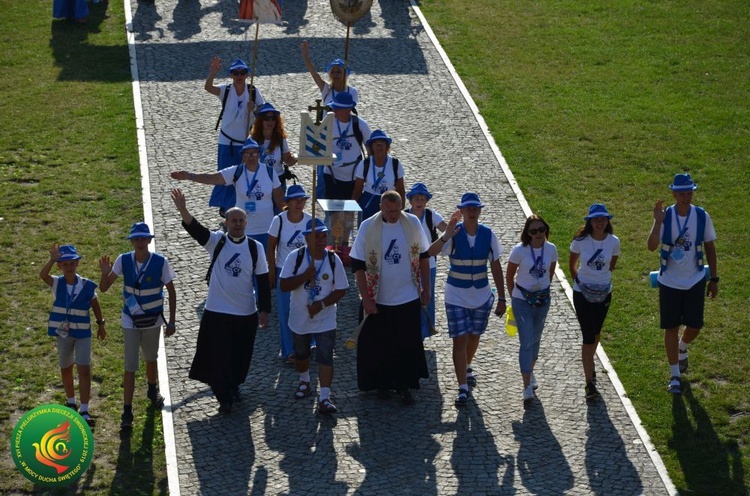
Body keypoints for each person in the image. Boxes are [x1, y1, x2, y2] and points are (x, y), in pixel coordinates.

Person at [171, 188, 271, 414]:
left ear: (246, 223)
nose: (237, 224)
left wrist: (264, 310)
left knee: (240, 356)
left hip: (245, 313)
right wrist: (183, 209)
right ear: (225, 223)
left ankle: (233, 385)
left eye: (241, 220)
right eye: (233, 220)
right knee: (219, 356)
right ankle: (223, 396)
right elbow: (196, 230)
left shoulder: (256, 248)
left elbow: (263, 280)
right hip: (217, 312)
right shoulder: (216, 242)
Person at [350, 191, 431, 404]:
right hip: (378, 297)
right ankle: (381, 385)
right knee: (379, 346)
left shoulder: (412, 223)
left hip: (407, 296)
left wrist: (426, 287)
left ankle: (404, 386)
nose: (393, 215)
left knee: (406, 345)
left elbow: (423, 256)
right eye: (388, 211)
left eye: (396, 211)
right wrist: (365, 297)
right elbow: (358, 265)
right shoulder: (368, 227)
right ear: (380, 207)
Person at [428, 193, 506, 407]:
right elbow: (430, 252)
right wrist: (446, 234)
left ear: (480, 211)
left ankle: (467, 364)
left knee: (474, 336)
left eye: (475, 208)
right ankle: (462, 387)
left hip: (481, 295)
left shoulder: (489, 235)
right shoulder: (454, 234)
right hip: (456, 295)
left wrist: (501, 297)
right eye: (468, 209)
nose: (472, 212)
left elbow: (496, 265)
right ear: (461, 211)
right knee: (459, 340)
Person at [98, 222, 177, 430]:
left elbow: (171, 290)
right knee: (130, 366)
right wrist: (105, 273)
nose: (141, 242)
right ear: (132, 241)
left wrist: (173, 321)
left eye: (144, 238)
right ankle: (127, 411)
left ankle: (152, 389)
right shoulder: (123, 260)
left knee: (151, 358)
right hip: (130, 320)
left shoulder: (161, 262)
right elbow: (104, 289)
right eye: (137, 239)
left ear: (149, 240)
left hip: (153, 320)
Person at [647, 173, 718, 395]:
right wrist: (658, 222)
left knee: (695, 325)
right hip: (669, 281)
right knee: (671, 327)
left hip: (695, 278)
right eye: (683, 193)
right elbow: (651, 246)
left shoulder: (701, 215)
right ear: (674, 194)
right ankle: (675, 375)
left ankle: (682, 348)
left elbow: (710, 247)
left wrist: (714, 279)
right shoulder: (665, 215)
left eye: (690, 192)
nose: (687, 196)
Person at [280, 219, 349, 414]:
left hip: (325, 318)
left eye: (322, 236)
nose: (320, 240)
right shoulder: (296, 257)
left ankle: (325, 396)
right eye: (315, 236)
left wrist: (322, 304)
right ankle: (304, 381)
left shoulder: (333, 260)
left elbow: (342, 289)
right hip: (300, 317)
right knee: (301, 353)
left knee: (326, 355)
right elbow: (284, 285)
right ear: (306, 238)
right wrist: (304, 276)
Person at [171, 138, 283, 251]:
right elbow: (211, 178)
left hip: (266, 229)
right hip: (244, 230)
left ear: (259, 154)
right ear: (243, 156)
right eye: (247, 153)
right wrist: (190, 176)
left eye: (254, 153)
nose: (251, 156)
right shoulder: (236, 172)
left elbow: (280, 199)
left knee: (266, 264)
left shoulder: (269, 172)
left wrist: (284, 223)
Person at [40, 244, 106, 426]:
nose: (70, 267)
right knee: (66, 367)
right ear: (60, 266)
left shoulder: (86, 285)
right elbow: (42, 276)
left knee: (84, 369)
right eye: (65, 264)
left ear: (77, 264)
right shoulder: (57, 282)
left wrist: (101, 324)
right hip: (63, 334)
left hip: (83, 333)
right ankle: (71, 401)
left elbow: (95, 304)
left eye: (73, 263)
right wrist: (52, 259)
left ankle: (84, 409)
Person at [569, 204, 620, 402]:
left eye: (603, 219)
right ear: (589, 221)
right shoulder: (580, 241)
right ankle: (589, 383)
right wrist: (580, 283)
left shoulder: (614, 242)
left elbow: (612, 264)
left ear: (607, 221)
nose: (600, 222)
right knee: (588, 336)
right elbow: (572, 264)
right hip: (582, 293)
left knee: (596, 332)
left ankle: (590, 364)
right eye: (596, 219)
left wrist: (599, 280)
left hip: (604, 293)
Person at [506, 215, 558, 404]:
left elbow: (550, 272)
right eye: (534, 231)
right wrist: (514, 297)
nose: (538, 234)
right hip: (522, 300)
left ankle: (530, 369)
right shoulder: (519, 251)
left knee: (536, 340)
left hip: (542, 300)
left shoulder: (551, 249)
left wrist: (543, 290)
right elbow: (510, 275)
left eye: (541, 230)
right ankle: (526, 385)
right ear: (527, 233)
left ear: (546, 230)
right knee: (526, 341)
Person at [204, 57, 265, 217]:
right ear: (231, 75)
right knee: (225, 175)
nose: (239, 75)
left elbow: (263, 111)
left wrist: (254, 109)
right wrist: (212, 73)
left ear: (246, 74)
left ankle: (240, 204)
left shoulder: (252, 91)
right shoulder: (226, 90)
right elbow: (209, 88)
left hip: (245, 143)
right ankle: (225, 206)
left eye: (242, 72)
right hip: (227, 141)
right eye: (235, 72)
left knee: (242, 175)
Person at [301, 41, 360, 201]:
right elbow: (314, 75)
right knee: (322, 173)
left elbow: (352, 110)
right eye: (333, 72)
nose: (335, 74)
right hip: (326, 136)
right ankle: (319, 202)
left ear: (344, 74)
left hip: (345, 135)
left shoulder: (352, 91)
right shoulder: (327, 90)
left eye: (339, 71)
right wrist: (306, 57)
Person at [267, 185, 312, 364]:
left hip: (305, 272)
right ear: (287, 202)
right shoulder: (279, 221)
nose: (299, 203)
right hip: (284, 272)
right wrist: (271, 271)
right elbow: (271, 248)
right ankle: (288, 351)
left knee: (306, 308)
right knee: (286, 312)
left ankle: (309, 344)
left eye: (302, 200)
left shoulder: (310, 220)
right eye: (296, 200)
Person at [405, 182, 447, 339]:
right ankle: (411, 330)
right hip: (407, 265)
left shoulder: (431, 215)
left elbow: (445, 229)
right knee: (409, 297)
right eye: (416, 199)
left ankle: (423, 332)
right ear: (410, 201)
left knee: (426, 296)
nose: (419, 202)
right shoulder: (404, 216)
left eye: (422, 199)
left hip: (429, 264)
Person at [325, 92, 372, 201]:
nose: (334, 111)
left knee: (350, 213)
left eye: (337, 108)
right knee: (333, 212)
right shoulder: (327, 123)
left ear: (347, 110)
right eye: (334, 108)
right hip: (331, 174)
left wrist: (366, 171)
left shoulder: (360, 125)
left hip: (354, 176)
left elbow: (370, 150)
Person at [352, 129, 406, 222]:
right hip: (368, 203)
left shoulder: (395, 164)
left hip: (390, 203)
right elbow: (357, 190)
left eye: (382, 143)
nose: (379, 146)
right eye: (376, 143)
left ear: (387, 146)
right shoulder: (365, 164)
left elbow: (400, 189)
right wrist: (351, 210)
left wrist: (400, 210)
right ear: (371, 147)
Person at [251, 102, 298, 196]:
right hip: (259, 182)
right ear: (260, 121)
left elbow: (288, 160)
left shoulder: (280, 138)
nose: (270, 121)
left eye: (273, 119)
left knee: (279, 210)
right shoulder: (252, 139)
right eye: (266, 119)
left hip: (278, 182)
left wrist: (297, 157)